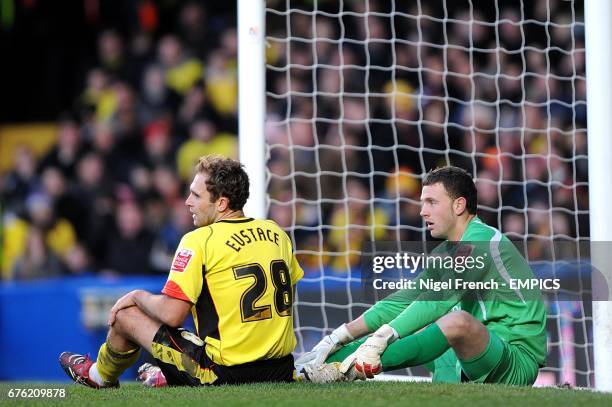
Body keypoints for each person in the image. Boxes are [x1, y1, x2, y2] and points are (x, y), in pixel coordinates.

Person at [60, 155, 304, 387]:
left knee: (127, 315)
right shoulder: (277, 233)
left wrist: (137, 295)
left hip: (224, 372)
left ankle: (98, 375)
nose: (188, 202)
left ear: (221, 203)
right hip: (281, 369)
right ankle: (168, 374)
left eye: (196, 196)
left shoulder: (199, 240)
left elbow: (172, 314)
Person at [298, 166, 546, 385]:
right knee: (416, 323)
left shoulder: (483, 241)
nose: (422, 212)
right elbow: (401, 301)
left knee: (454, 320)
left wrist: (381, 337)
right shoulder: (443, 252)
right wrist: (337, 337)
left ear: (459, 205)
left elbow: (440, 298)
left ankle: (344, 369)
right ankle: (318, 366)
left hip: (514, 360)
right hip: (469, 358)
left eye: (432, 202)